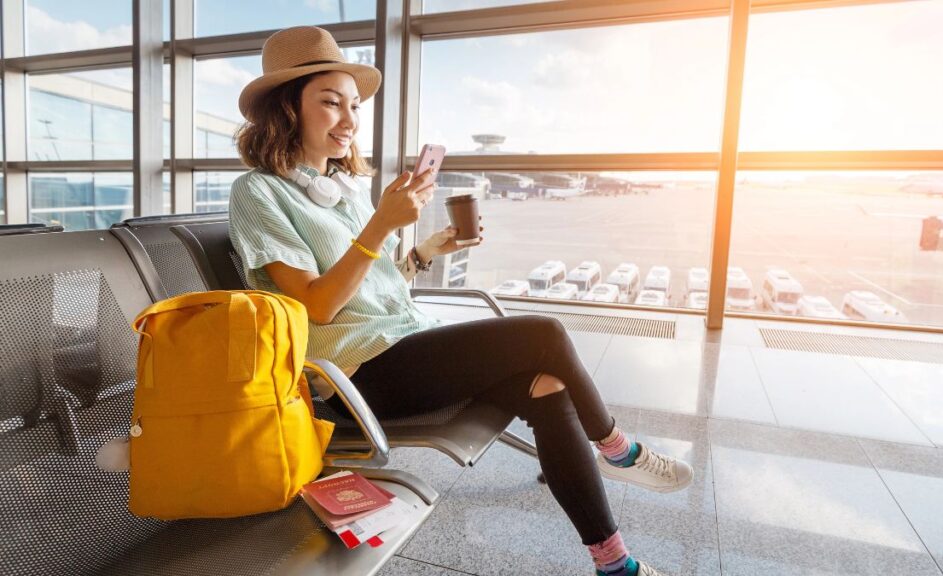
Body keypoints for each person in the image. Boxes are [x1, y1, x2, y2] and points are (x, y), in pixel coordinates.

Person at [229, 26, 693, 576]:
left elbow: (376, 287)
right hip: (353, 377)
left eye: (354, 106)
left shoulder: (340, 190)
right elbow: (316, 308)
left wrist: (425, 249)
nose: (351, 122)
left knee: (547, 387)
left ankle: (615, 566)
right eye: (331, 104)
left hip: (399, 342)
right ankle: (618, 450)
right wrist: (378, 227)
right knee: (542, 334)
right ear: (286, 110)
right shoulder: (257, 193)